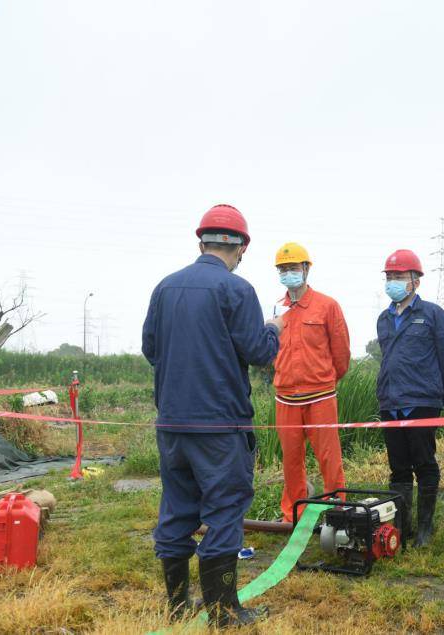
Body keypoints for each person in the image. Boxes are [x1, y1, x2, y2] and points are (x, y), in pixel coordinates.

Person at [142, 204, 282, 627]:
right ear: (241, 248)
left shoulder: (165, 288)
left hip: (172, 424)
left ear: (201, 241)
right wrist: (273, 330)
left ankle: (179, 604)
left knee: (177, 509)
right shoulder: (236, 290)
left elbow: (151, 349)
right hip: (220, 427)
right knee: (224, 510)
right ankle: (224, 612)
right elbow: (258, 353)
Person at [375, 249, 444, 547]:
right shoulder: (384, 319)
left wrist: (439, 395)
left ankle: (425, 528)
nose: (393, 281)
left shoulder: (433, 315)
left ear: (415, 281)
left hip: (422, 401)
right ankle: (401, 527)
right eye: (389, 277)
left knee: (424, 462)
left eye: (399, 276)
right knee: (398, 467)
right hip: (391, 402)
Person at [272, 242, 351, 522]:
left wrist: (324, 380)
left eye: (293, 267)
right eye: (283, 269)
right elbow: (269, 349)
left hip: (320, 397)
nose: (288, 273)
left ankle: (337, 513)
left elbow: (341, 354)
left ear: (306, 269)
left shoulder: (327, 306)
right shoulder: (275, 308)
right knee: (291, 461)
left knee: (330, 459)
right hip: (285, 398)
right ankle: (292, 514)